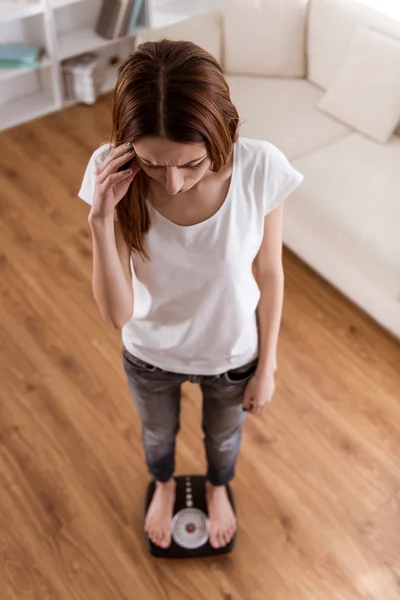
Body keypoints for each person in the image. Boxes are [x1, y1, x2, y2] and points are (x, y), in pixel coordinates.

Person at [78, 39, 303, 551]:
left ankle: (219, 488)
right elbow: (117, 313)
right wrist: (100, 217)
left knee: (223, 440)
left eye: (191, 164)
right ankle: (162, 485)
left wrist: (267, 365)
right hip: (150, 354)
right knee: (158, 438)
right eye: (154, 165)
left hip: (232, 356)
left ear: (221, 132)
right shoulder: (111, 174)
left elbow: (270, 273)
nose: (173, 183)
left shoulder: (260, 169)